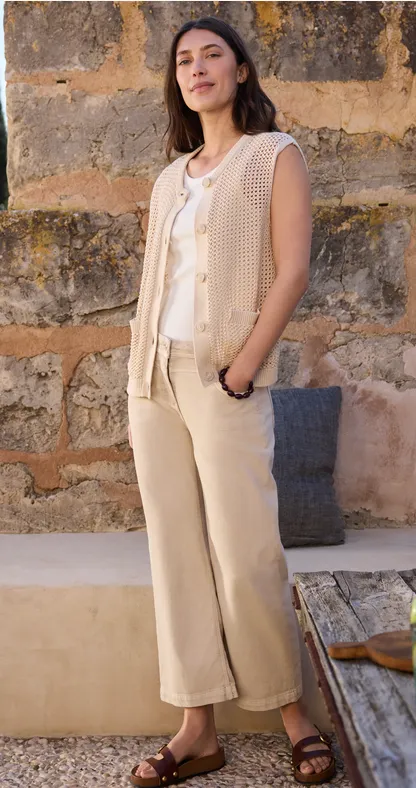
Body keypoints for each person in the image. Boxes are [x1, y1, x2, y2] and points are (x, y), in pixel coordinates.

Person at [127, 15, 336, 787]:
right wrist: (142, 371)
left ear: (241, 71)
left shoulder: (272, 156)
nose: (197, 67)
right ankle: (196, 728)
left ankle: (292, 715)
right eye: (184, 59)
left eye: (213, 54)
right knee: (174, 553)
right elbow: (160, 285)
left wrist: (246, 365)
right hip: (152, 379)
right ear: (176, 80)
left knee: (247, 548)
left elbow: (291, 271)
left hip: (225, 375)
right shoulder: (169, 176)